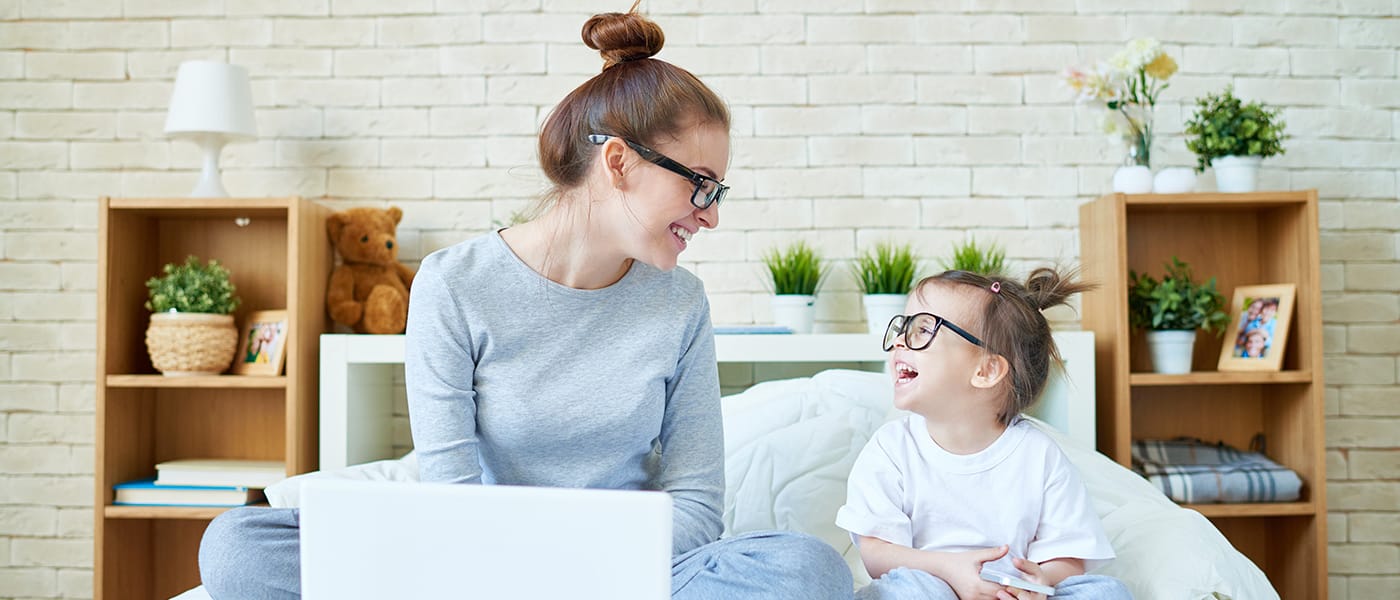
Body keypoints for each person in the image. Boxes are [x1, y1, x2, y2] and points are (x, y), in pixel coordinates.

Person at [197, 4, 851, 599]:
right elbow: (449, 494)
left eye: (718, 193)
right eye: (701, 187)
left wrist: (577, 571)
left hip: (625, 570)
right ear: (619, 162)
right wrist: (517, 570)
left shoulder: (681, 304)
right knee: (238, 544)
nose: (709, 217)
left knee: (806, 568)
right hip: (471, 560)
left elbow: (696, 504)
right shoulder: (455, 283)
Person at [837, 269, 1131, 600]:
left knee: (1105, 591)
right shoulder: (891, 449)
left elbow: (1068, 555)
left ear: (986, 370)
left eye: (922, 329)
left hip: (1007, 592)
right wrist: (950, 570)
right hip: (932, 584)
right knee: (905, 591)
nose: (901, 340)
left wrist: (1038, 580)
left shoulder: (1039, 455)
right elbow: (877, 554)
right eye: (903, 326)